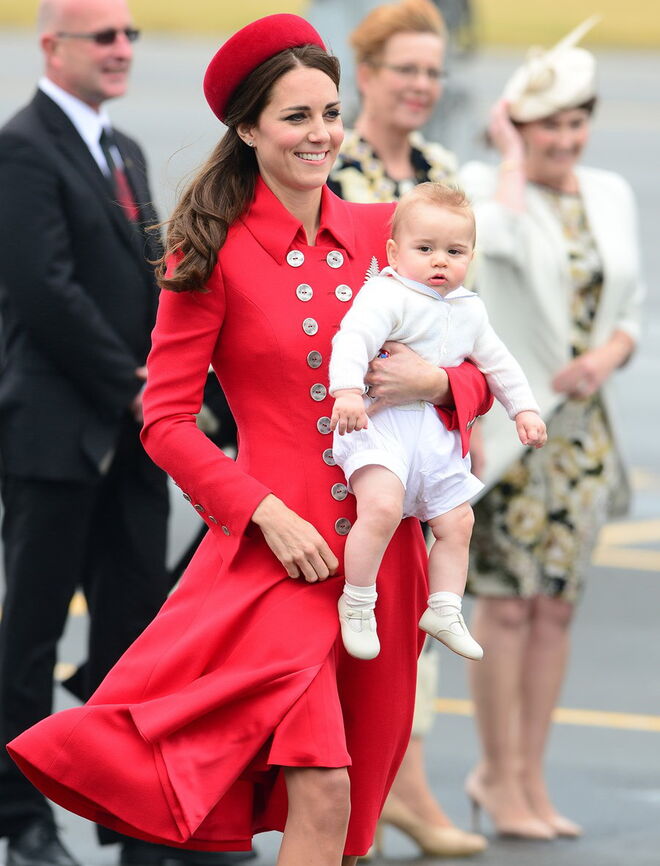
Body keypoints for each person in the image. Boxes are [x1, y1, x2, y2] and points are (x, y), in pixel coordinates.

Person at [6, 14, 493, 865]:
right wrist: (259, 512)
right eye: (296, 116)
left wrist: (439, 385)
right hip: (279, 557)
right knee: (321, 781)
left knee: (351, 812)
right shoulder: (212, 248)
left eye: (330, 113)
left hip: (381, 560)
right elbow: (163, 420)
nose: (321, 135)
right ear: (248, 128)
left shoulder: (388, 232)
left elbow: (482, 363)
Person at [0, 1, 181, 865]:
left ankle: (130, 817)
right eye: (102, 37)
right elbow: (45, 292)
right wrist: (138, 385)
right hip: (56, 433)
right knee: (32, 632)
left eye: (129, 36)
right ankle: (21, 820)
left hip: (136, 438)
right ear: (53, 46)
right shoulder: (23, 147)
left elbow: (152, 290)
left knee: (136, 631)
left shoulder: (125, 150)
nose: (120, 50)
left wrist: (185, 386)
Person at [459, 17, 645, 839]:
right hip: (509, 437)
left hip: (580, 438)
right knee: (504, 609)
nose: (565, 139)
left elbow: (628, 312)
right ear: (517, 126)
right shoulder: (485, 185)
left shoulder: (610, 193)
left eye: (576, 122)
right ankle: (495, 775)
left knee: (556, 611)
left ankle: (528, 776)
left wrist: (605, 358)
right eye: (547, 125)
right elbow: (487, 244)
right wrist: (504, 154)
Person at [327, 1, 488, 857]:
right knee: (350, 612)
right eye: (407, 70)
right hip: (358, 425)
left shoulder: (441, 169)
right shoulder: (334, 168)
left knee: (421, 605)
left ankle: (397, 783)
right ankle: (350, 795)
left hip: (432, 424)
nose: (423, 86)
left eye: (434, 71)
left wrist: (459, 394)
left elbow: (467, 320)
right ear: (368, 75)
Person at [329, 183, 546, 661]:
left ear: (471, 255)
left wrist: (524, 408)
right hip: (382, 428)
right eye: (424, 249)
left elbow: (498, 363)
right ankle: (358, 600)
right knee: (381, 509)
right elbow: (353, 339)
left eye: (454, 251)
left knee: (458, 520)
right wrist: (345, 390)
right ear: (394, 250)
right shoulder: (387, 293)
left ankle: (444, 607)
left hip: (433, 438)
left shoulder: (469, 309)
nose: (439, 262)